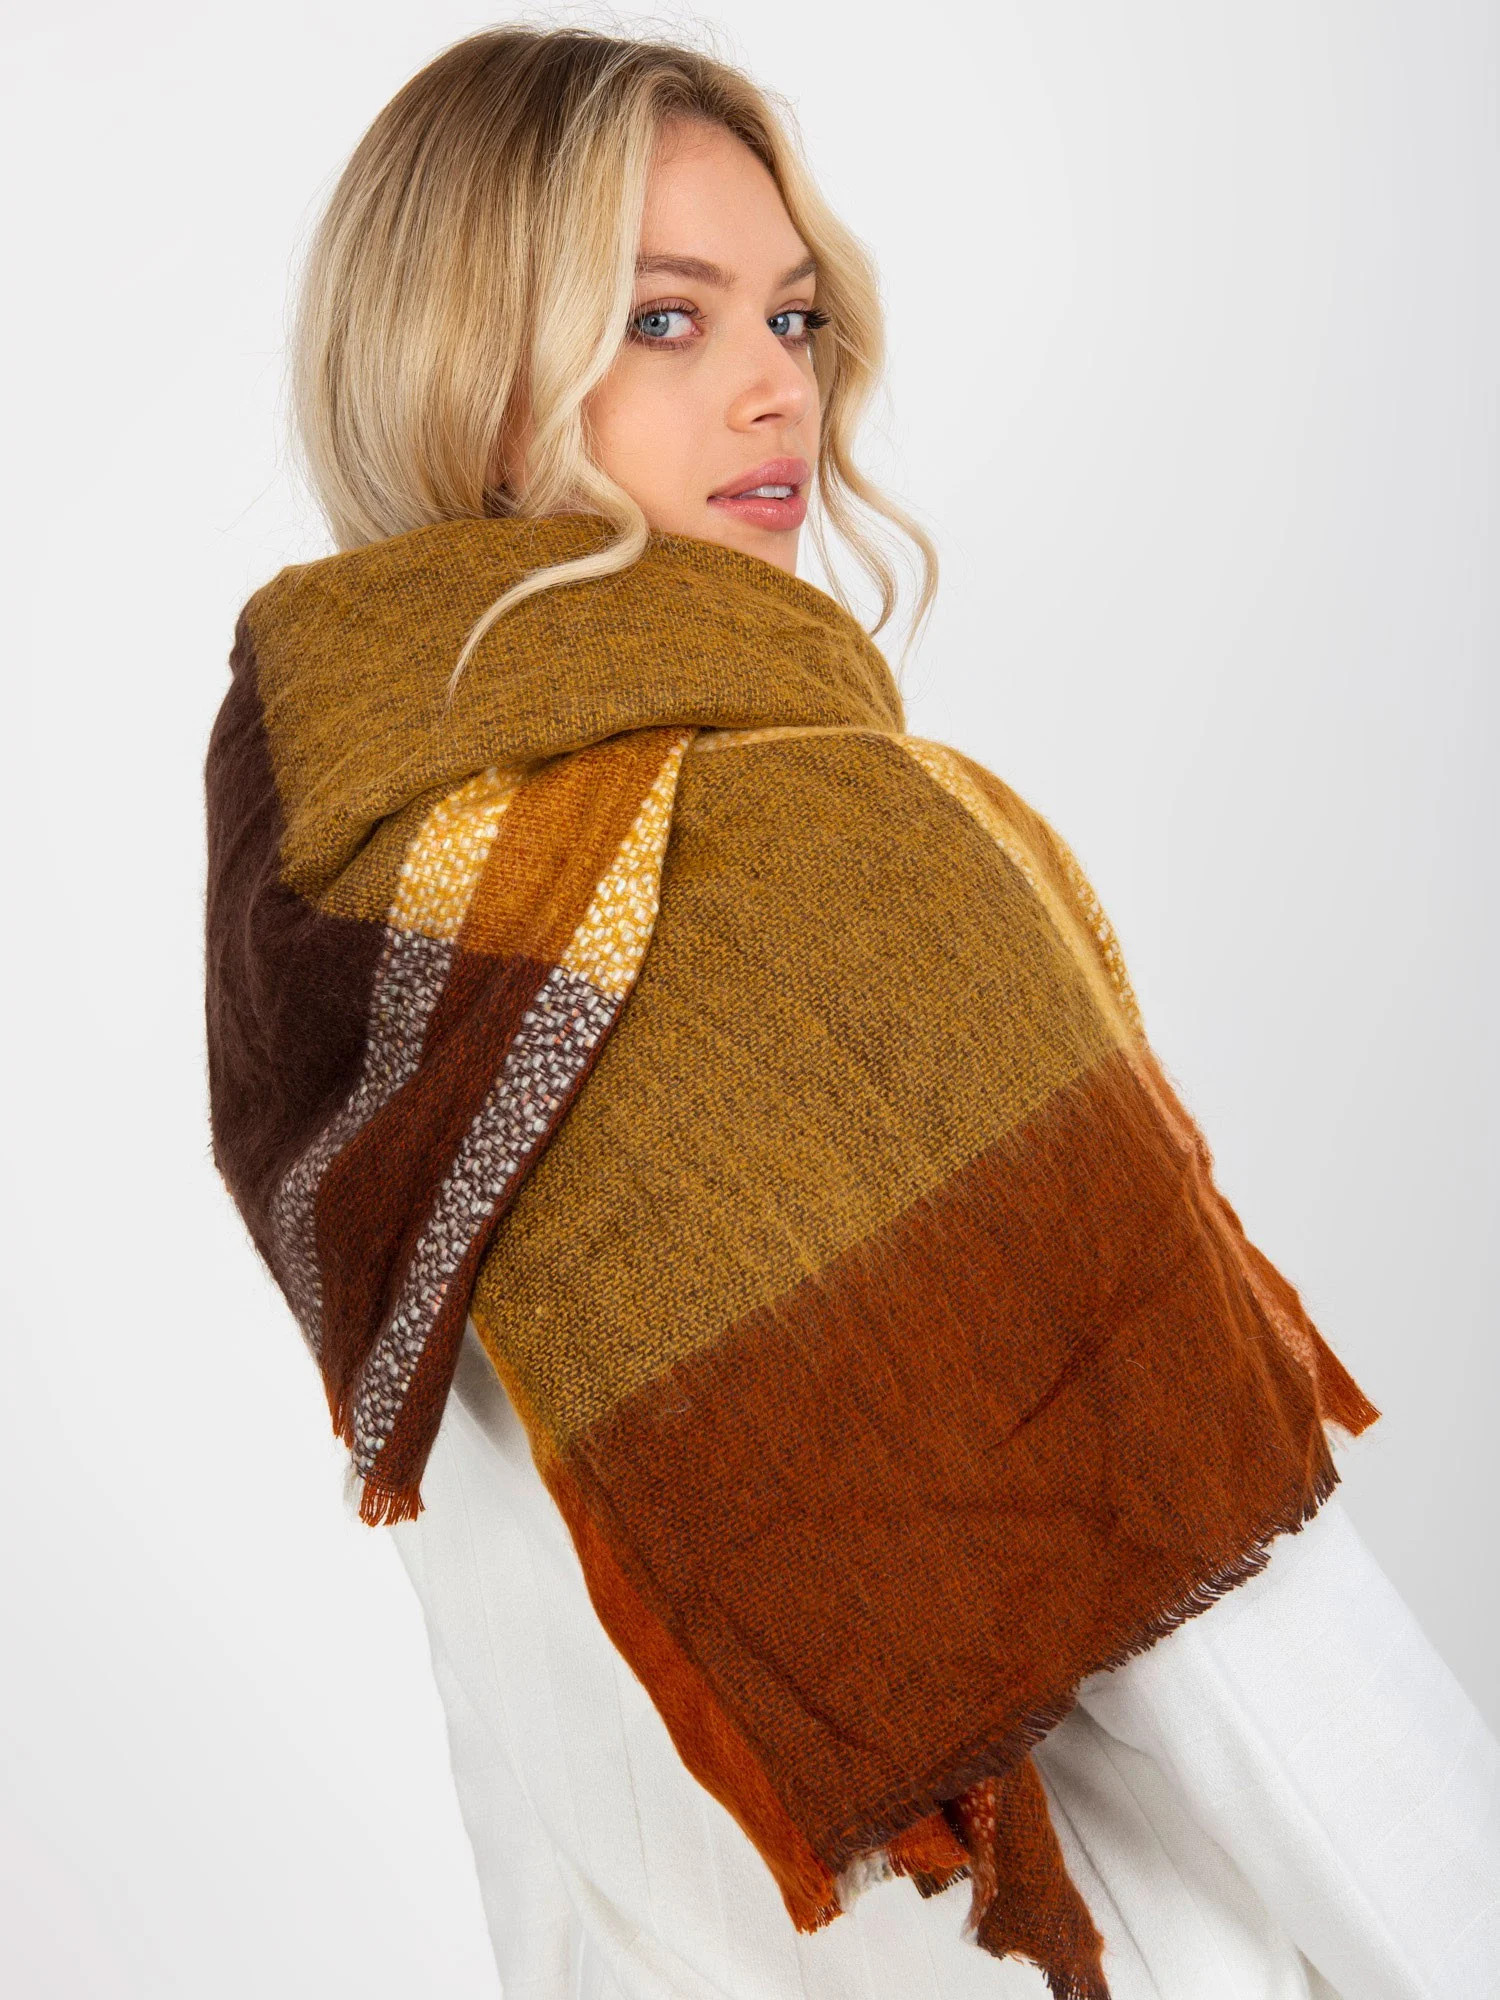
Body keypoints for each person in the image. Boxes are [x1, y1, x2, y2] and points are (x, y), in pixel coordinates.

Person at [227, 23, 1500, 2000]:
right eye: (664, 319)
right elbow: (1261, 1678)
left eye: (795, 316)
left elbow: (528, 1747)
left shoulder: (340, 919)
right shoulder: (829, 868)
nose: (775, 386)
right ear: (470, 379)